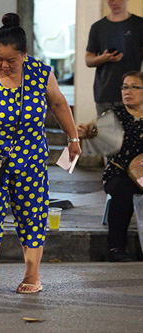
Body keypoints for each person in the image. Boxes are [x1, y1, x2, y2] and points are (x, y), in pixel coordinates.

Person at [0, 13, 81, 293]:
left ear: (25, 55)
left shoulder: (40, 73)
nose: (3, 65)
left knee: (32, 215)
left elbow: (59, 104)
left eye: (11, 60)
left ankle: (32, 275)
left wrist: (73, 137)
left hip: (31, 160)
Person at [78, 71, 143, 262]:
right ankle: (116, 248)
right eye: (124, 87)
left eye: (134, 87)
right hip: (119, 172)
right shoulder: (113, 116)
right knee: (122, 191)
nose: (127, 91)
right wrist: (85, 134)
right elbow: (92, 135)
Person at [85, 0, 143, 116]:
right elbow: (89, 59)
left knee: (133, 132)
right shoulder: (98, 27)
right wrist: (104, 58)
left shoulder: (139, 24)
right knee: (106, 133)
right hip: (105, 92)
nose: (115, 2)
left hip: (133, 92)